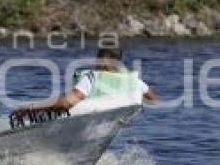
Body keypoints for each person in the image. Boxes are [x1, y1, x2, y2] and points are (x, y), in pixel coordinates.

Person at [14, 47, 156, 116]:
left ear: (104, 61)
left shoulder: (92, 77)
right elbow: (152, 99)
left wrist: (31, 108)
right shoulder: (134, 82)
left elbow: (66, 103)